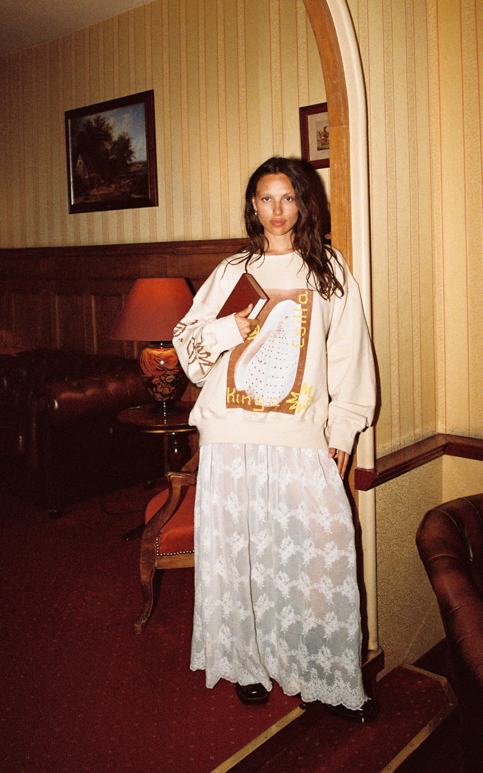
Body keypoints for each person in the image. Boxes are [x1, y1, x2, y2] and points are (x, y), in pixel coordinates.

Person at [172, 156, 378, 722]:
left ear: (304, 204)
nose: (278, 210)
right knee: (237, 551)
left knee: (320, 551)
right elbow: (188, 349)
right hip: (229, 432)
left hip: (301, 432)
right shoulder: (233, 269)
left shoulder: (329, 271)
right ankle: (246, 663)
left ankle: (320, 670)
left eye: (289, 198)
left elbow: (349, 358)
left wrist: (344, 430)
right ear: (253, 206)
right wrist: (224, 329)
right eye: (267, 198)